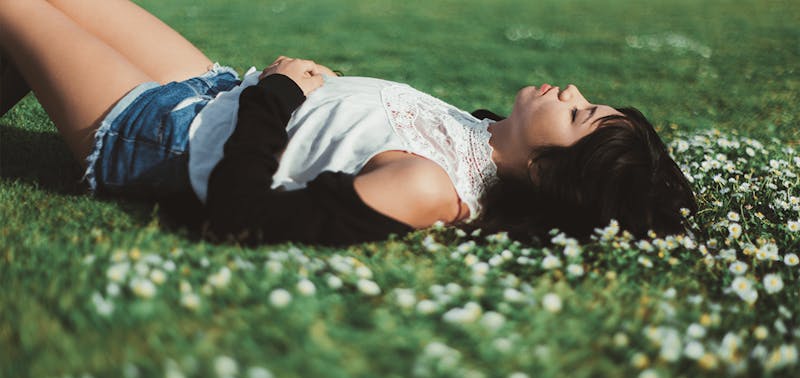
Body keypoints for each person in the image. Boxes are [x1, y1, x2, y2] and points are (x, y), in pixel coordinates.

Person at [0, 0, 698, 247]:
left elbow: (240, 217)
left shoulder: (429, 187)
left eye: (577, 114)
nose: (571, 90)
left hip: (156, 136)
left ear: (549, 169)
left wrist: (279, 93)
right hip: (210, 90)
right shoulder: (478, 134)